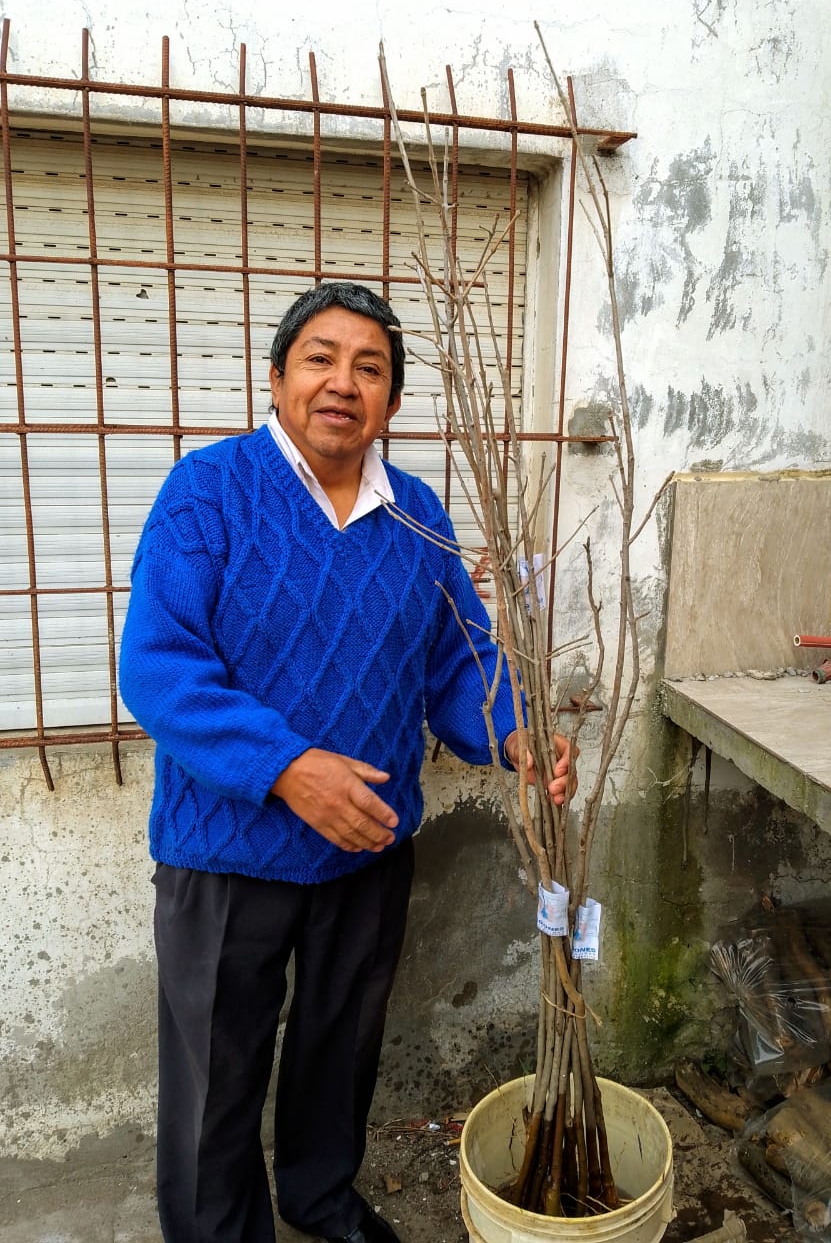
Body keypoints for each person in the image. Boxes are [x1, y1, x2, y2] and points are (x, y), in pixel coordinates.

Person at [119, 282, 575, 1243]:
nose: (342, 383)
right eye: (320, 358)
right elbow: (159, 670)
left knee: (341, 1053)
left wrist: (517, 731)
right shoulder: (207, 491)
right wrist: (289, 769)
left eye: (370, 367)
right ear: (277, 377)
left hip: (367, 848)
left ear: (393, 403)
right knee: (217, 1070)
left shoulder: (415, 516)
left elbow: (459, 662)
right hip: (225, 852)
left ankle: (320, 1198)